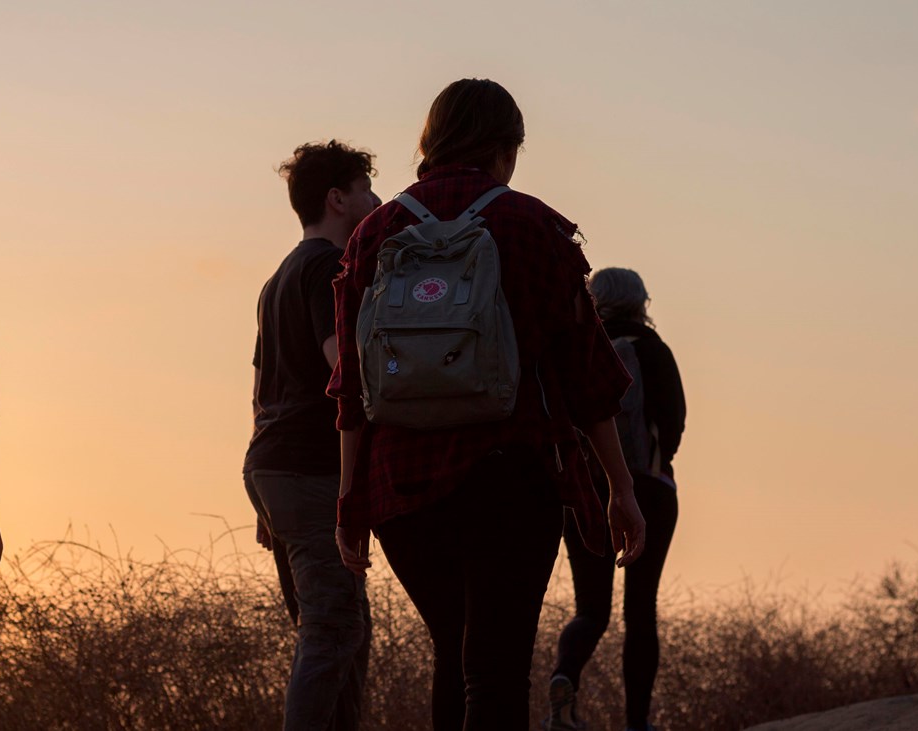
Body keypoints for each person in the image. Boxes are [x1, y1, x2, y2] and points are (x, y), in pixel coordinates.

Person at [329, 78, 646, 730]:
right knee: (494, 669)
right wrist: (619, 486)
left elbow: (352, 391)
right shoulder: (534, 227)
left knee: (456, 649)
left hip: (401, 487)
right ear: (504, 150)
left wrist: (348, 499)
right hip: (510, 475)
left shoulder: (373, 234)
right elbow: (589, 377)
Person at [244, 140, 380, 730]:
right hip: (308, 469)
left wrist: (266, 507)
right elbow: (344, 369)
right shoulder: (329, 267)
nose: (377, 201)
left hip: (275, 470)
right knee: (335, 627)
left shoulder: (277, 279)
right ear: (338, 199)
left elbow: (260, 390)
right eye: (366, 190)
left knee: (344, 628)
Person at [547, 268, 686, 731]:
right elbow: (674, 427)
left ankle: (563, 679)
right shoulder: (654, 350)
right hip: (647, 488)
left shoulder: (574, 347)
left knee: (591, 609)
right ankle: (636, 723)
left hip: (585, 492)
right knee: (640, 609)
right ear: (641, 302)